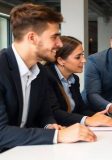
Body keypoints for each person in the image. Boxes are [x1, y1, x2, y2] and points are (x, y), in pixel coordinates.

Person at [0, 3, 96, 151]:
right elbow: (1, 134)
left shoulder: (40, 72)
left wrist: (50, 125)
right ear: (32, 38)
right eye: (54, 37)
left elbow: (44, 114)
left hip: (22, 151)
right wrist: (58, 135)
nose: (59, 44)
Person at [45, 36, 112, 127]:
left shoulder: (74, 78)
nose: (84, 60)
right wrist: (87, 120)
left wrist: (99, 117)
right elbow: (55, 113)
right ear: (61, 60)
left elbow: (81, 109)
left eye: (82, 55)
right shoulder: (46, 76)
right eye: (78, 57)